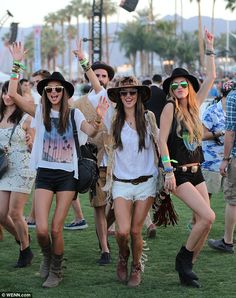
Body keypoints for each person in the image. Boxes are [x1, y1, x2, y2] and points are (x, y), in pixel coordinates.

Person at [8, 42, 108, 288]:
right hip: (44, 174)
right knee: (41, 230)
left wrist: (99, 118)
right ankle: (46, 257)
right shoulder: (39, 111)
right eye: (50, 89)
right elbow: (13, 93)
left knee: (55, 229)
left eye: (58, 89)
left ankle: (56, 268)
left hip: (67, 177)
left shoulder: (74, 114)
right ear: (45, 92)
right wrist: (16, 64)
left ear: (64, 92)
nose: (53, 92)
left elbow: (92, 131)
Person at [159, 29, 216, 288]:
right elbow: (162, 141)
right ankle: (183, 260)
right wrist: (168, 172)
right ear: (171, 89)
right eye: (175, 84)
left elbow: (212, 77)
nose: (180, 87)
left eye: (184, 84)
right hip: (179, 173)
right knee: (208, 217)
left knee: (203, 223)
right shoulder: (170, 107)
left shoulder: (194, 107)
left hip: (198, 171)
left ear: (189, 87)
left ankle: (188, 268)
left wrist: (210, 47)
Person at [102, 76, 159, 287]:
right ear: (118, 96)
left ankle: (136, 267)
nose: (128, 96)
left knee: (136, 231)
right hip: (120, 182)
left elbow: (160, 143)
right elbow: (100, 137)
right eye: (123, 93)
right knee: (122, 231)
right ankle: (122, 256)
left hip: (146, 182)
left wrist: (169, 170)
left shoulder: (149, 117)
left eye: (132, 92)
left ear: (138, 95)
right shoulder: (112, 118)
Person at [72, 41, 115, 265]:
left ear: (109, 79)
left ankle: (106, 230)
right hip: (94, 162)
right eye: (96, 74)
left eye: (104, 75)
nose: (100, 78)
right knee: (99, 207)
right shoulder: (78, 104)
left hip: (118, 162)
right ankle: (105, 250)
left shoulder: (114, 98)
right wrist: (83, 61)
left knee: (117, 205)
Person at [0, 80, 35, 267]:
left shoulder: (26, 118)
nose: (7, 96)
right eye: (4, 92)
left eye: (10, 92)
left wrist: (30, 142)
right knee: (0, 214)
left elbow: (34, 145)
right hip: (3, 168)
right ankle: (23, 238)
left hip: (23, 167)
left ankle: (25, 251)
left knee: (14, 212)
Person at [208, 81, 236, 253]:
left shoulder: (233, 97)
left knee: (233, 200)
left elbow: (230, 131)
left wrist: (225, 159)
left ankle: (227, 241)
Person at [26, 69, 51, 228]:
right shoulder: (41, 101)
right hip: (42, 151)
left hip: (55, 153)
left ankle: (34, 217)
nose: (36, 85)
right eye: (34, 82)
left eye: (38, 82)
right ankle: (33, 217)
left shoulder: (47, 100)